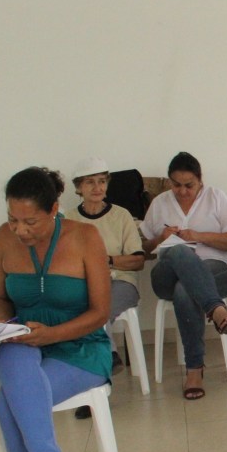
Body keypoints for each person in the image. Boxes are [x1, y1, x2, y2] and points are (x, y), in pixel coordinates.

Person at [0, 167, 111, 452]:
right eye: (13, 219)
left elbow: (100, 312)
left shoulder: (86, 237)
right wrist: (3, 326)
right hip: (25, 343)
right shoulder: (4, 237)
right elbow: (0, 297)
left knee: (8, 402)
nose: (20, 230)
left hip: (81, 348)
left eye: (30, 222)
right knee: (13, 357)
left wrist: (52, 334)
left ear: (55, 209)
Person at [140, 152, 227, 400]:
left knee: (184, 290)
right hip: (166, 276)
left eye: (189, 185)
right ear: (169, 181)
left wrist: (199, 236)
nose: (183, 191)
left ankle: (194, 370)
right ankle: (216, 309)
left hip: (215, 271)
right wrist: (160, 239)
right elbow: (142, 251)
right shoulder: (160, 203)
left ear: (200, 180)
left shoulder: (215, 197)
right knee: (178, 250)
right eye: (176, 185)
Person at [65, 156, 145, 419]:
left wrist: (106, 260)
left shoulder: (121, 216)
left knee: (96, 311)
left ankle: (95, 386)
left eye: (101, 181)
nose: (97, 187)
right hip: (83, 286)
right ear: (78, 187)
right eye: (90, 182)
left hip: (121, 282)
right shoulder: (68, 220)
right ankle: (99, 375)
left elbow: (137, 260)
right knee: (80, 311)